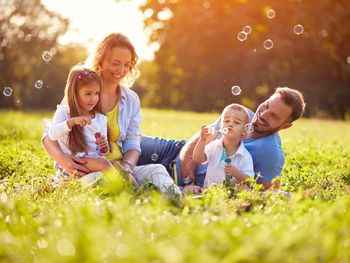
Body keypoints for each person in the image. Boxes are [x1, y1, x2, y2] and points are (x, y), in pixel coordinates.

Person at [43, 33, 181, 195]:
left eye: (126, 65)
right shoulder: (82, 91)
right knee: (100, 181)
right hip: (85, 169)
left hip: (117, 168)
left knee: (156, 169)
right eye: (116, 63)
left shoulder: (130, 99)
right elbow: (49, 135)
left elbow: (132, 142)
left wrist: (127, 168)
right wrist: (63, 159)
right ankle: (132, 197)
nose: (121, 70)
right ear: (100, 60)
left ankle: (178, 200)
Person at [138, 87, 306, 192]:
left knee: (125, 169)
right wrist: (188, 181)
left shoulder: (270, 152)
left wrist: (188, 186)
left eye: (274, 116)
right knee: (125, 143)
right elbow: (195, 143)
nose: (262, 114)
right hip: (174, 150)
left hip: (181, 180)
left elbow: (268, 194)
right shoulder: (241, 114)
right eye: (266, 105)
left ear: (284, 126)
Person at [48, 66, 113, 176]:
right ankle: (121, 190)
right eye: (88, 94)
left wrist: (104, 146)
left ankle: (134, 191)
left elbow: (102, 151)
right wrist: (72, 122)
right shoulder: (65, 113)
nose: (93, 98)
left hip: (93, 160)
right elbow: (52, 135)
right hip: (74, 163)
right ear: (74, 93)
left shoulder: (100, 119)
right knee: (105, 164)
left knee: (119, 166)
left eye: (96, 93)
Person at [192, 103, 254, 189]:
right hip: (209, 193)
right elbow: (197, 158)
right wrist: (202, 140)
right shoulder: (214, 146)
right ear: (221, 126)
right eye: (226, 121)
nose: (230, 124)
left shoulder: (245, 156)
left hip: (231, 197)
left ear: (244, 131)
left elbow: (251, 182)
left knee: (242, 190)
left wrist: (237, 173)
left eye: (236, 122)